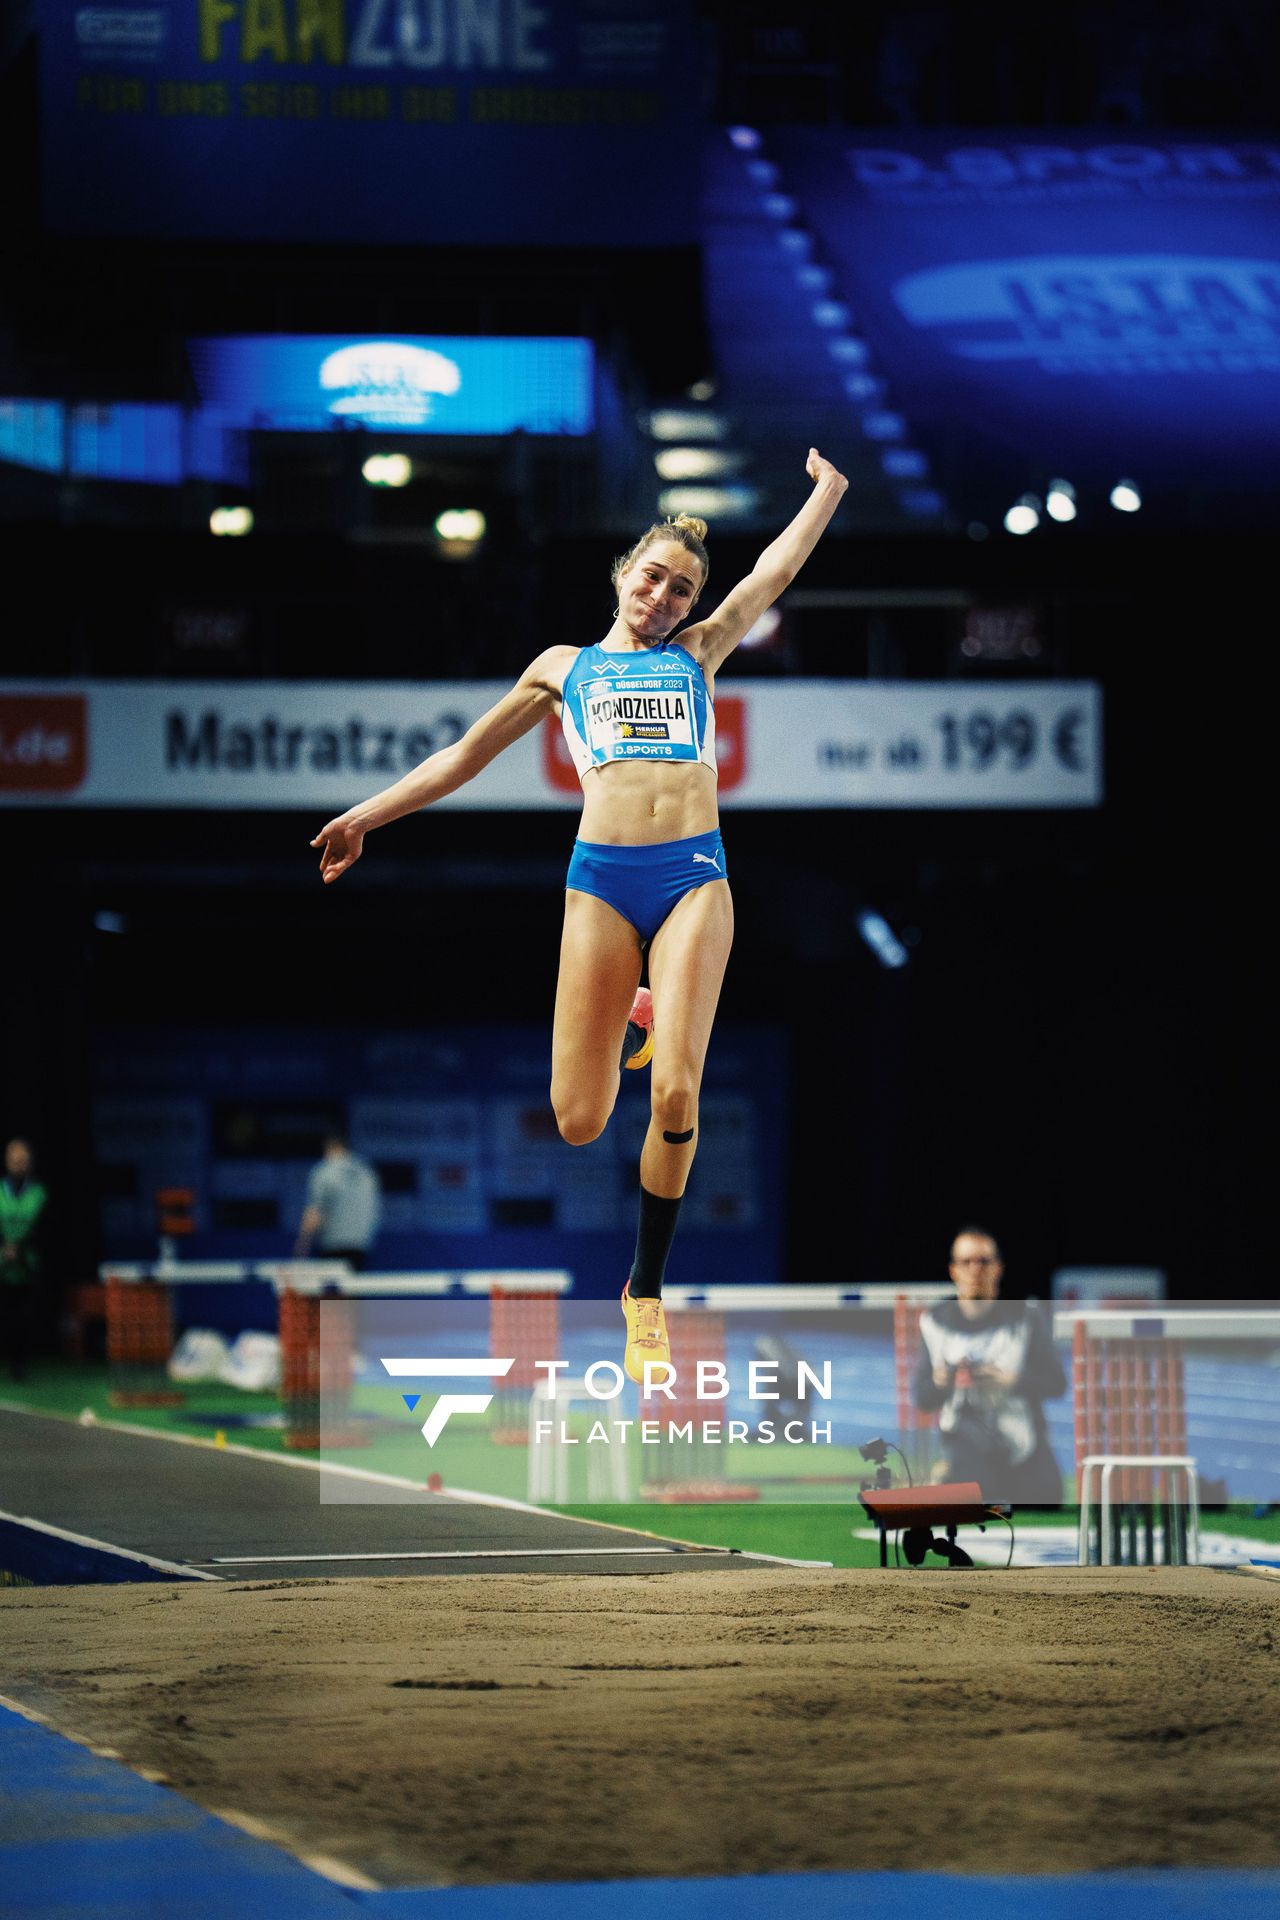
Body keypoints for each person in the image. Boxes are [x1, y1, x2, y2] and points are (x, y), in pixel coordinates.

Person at [310, 449, 849, 1381]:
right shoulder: (562, 669)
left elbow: (775, 571)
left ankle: (645, 1290)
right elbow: (464, 756)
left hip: (693, 875)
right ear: (622, 576)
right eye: (655, 578)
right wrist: (366, 815)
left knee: (677, 1094)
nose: (667, 597)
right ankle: (637, 1012)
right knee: (578, 1120)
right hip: (600, 880)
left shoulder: (699, 653)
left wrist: (828, 493)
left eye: (682, 589)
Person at [914, 1226, 1067, 1503]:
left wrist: (1013, 1381)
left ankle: (953, 1479)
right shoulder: (935, 1321)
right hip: (965, 1438)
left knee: (1046, 1499)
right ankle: (948, 1473)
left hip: (1021, 1440)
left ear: (997, 1268)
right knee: (979, 1499)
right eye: (966, 1262)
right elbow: (922, 1397)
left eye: (983, 1261)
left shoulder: (1025, 1317)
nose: (975, 1270)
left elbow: (1057, 1382)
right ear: (953, 1270)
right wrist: (941, 1382)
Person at [295, 1132, 382, 1273]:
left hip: (333, 1245)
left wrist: (302, 1245)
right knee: (352, 1291)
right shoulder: (367, 1171)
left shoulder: (324, 1171)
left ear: (328, 1148)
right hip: (361, 1245)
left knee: (332, 1294)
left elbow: (314, 1213)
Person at [0, 1138, 48, 1382]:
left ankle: (21, 1363)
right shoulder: (0, 1191)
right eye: (14, 1159)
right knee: (5, 1317)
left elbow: (43, 1227)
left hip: (27, 1265)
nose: (18, 1163)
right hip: (2, 1265)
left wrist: (20, 1248)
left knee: (23, 1317)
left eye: (22, 1159)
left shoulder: (38, 1192)